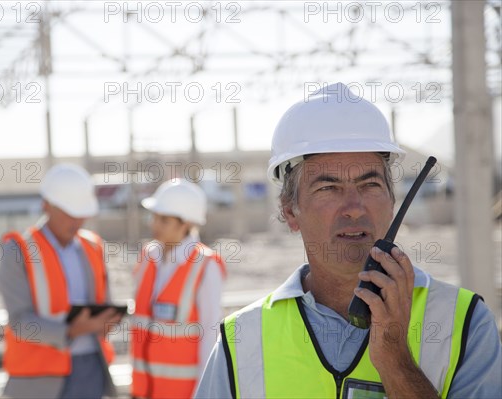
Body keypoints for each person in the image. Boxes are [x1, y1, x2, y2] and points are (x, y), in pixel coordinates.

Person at [195, 83, 502, 398]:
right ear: (290, 211)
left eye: (369, 184)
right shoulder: (241, 339)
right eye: (328, 188)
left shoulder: (464, 323)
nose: (354, 209)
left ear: (392, 200)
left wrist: (396, 361)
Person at [0, 163, 123, 399]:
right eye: (68, 212)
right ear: (46, 204)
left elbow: (104, 303)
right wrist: (71, 331)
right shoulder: (18, 250)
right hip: (38, 379)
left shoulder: (93, 246)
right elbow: (19, 321)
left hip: (91, 370)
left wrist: (108, 319)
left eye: (81, 214)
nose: (76, 221)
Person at [130, 178, 227, 399]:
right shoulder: (148, 256)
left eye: (164, 220)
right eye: (154, 217)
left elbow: (209, 335)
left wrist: (203, 393)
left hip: (183, 393)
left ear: (186, 224)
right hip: (143, 390)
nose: (154, 224)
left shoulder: (205, 265)